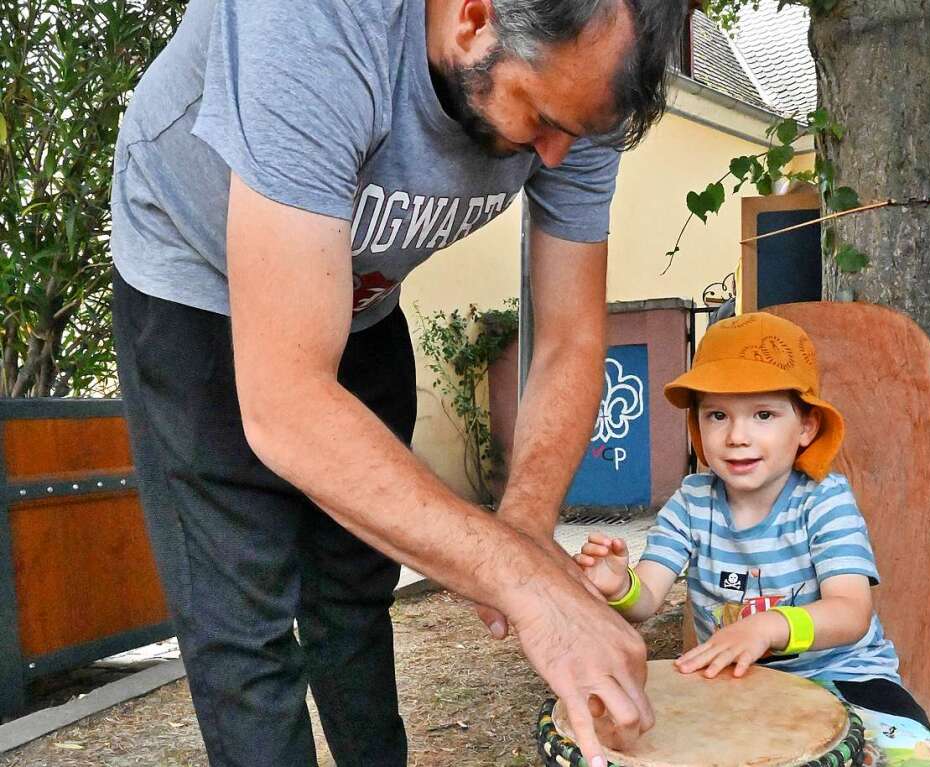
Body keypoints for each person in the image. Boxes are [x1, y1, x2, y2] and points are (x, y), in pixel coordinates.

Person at [109, 1, 686, 765]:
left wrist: (524, 531)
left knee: (353, 594)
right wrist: (522, 584)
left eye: (575, 132)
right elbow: (286, 405)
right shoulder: (314, 21)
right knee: (243, 630)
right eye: (542, 118)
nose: (553, 157)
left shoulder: (584, 70)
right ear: (476, 18)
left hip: (361, 296)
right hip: (192, 272)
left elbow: (571, 338)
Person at [575, 313, 930, 757]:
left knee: (919, 759)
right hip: (737, 684)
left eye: (763, 414)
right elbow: (646, 600)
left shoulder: (822, 500)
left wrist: (769, 626)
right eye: (717, 415)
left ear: (806, 427)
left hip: (845, 675)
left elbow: (851, 612)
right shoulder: (693, 502)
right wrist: (620, 586)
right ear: (698, 428)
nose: (737, 436)